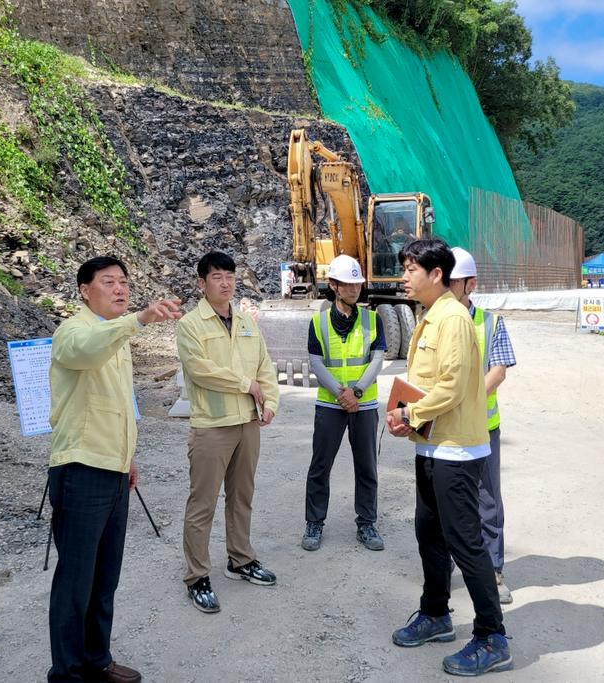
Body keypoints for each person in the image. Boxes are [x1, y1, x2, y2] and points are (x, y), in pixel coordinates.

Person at [47, 256, 182, 683]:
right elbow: (86, 352)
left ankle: (97, 660)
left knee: (105, 576)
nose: (120, 289)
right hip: (81, 469)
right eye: (109, 282)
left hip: (114, 470)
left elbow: (118, 408)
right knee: (76, 581)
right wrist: (139, 319)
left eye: (124, 282)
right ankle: (67, 674)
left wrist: (128, 458)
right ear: (84, 290)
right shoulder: (73, 331)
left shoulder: (117, 340)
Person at [385, 237, 511, 676]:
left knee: (465, 542)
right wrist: (411, 417)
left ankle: (492, 637)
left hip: (457, 449)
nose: (404, 277)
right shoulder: (431, 316)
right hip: (434, 444)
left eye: (410, 269)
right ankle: (436, 614)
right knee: (430, 534)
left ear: (436, 275)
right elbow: (429, 380)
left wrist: (410, 412)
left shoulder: (453, 318)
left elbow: (453, 386)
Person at [176, 251, 281, 613]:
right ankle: (197, 576)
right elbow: (200, 369)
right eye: (217, 276)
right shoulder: (191, 324)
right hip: (212, 427)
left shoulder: (248, 323)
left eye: (230, 276)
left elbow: (266, 367)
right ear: (202, 283)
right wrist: (246, 384)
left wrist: (270, 403)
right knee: (202, 504)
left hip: (248, 424)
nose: (225, 282)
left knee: (241, 497)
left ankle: (241, 559)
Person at [302, 254, 387, 552]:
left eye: (358, 284)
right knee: (320, 466)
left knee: (367, 466)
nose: (354, 289)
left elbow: (377, 359)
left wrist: (358, 392)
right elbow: (316, 361)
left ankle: (366, 522)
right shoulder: (318, 322)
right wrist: (341, 392)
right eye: (348, 284)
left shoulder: (373, 320)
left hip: (363, 406)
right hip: (330, 405)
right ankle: (314, 523)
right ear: (335, 285)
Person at [449, 248, 517, 605]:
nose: (445, 286)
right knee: (446, 501)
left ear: (470, 284)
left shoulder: (490, 323)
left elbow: (499, 369)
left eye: (453, 281)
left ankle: (493, 570)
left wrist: (466, 400)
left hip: (482, 427)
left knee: (488, 502)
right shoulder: (434, 320)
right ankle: (443, 568)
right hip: (444, 430)